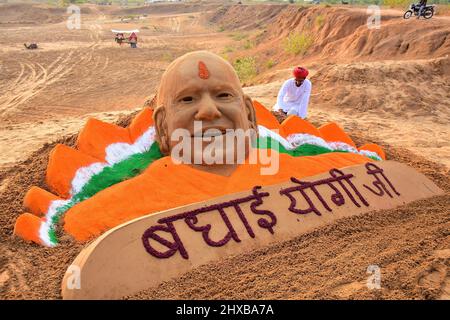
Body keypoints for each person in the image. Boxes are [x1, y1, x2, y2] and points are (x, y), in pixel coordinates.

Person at [14, 51, 384, 245]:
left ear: (251, 117)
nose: (209, 111)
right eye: (188, 99)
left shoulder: (307, 169)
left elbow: (366, 171)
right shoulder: (106, 211)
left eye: (224, 96)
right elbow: (75, 230)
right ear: (162, 127)